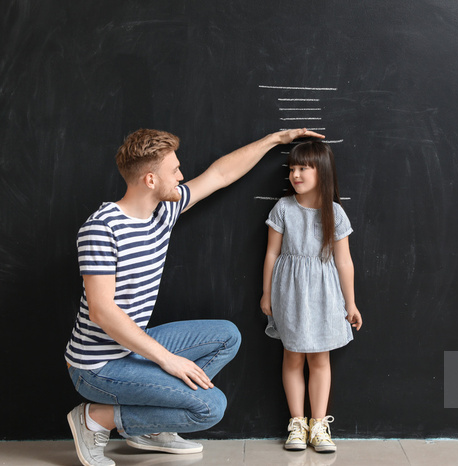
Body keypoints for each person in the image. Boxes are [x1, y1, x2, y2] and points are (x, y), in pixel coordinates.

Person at [64, 127, 324, 466]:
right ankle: (94, 419)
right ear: (150, 180)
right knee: (209, 408)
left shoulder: (162, 212)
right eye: (175, 170)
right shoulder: (102, 228)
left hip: (133, 347)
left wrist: (276, 139)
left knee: (227, 336)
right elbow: (101, 311)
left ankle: (151, 426)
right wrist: (166, 359)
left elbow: (219, 174)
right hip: (97, 367)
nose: (182, 176)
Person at [259, 141, 363, 453]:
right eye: (292, 168)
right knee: (292, 355)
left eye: (304, 167)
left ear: (323, 171)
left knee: (320, 357)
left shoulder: (335, 213)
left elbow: (344, 261)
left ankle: (319, 425)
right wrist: (266, 294)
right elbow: (271, 254)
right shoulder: (283, 208)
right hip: (289, 291)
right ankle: (296, 424)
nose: (296, 174)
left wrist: (351, 302)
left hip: (325, 294)